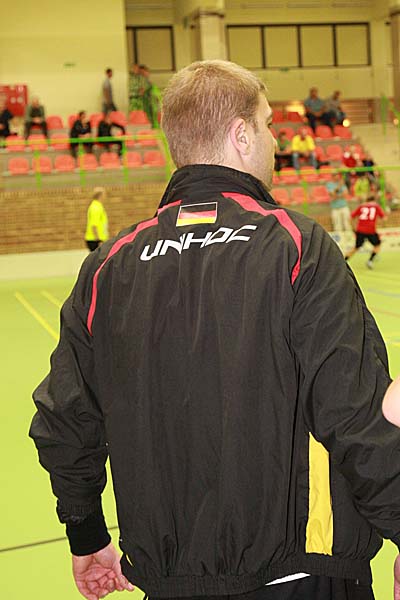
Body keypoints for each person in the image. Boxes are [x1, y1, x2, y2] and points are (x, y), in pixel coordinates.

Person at [30, 59, 400, 600]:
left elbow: (64, 418)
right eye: (268, 124)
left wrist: (86, 532)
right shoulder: (295, 246)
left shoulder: (110, 264)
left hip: (169, 580)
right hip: (300, 572)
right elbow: (353, 410)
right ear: (241, 134)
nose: (276, 140)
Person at [345, 193, 387, 268]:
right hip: (371, 230)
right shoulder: (376, 206)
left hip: (360, 230)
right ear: (374, 200)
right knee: (377, 245)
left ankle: (344, 261)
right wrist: (379, 224)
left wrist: (353, 228)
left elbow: (351, 218)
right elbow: (384, 218)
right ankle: (370, 260)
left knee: (356, 247)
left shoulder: (361, 206)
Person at [84, 187, 109, 251]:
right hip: (95, 240)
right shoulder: (96, 208)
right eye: (104, 194)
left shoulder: (98, 206)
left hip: (97, 239)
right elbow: (94, 226)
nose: (105, 196)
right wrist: (99, 240)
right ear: (100, 195)